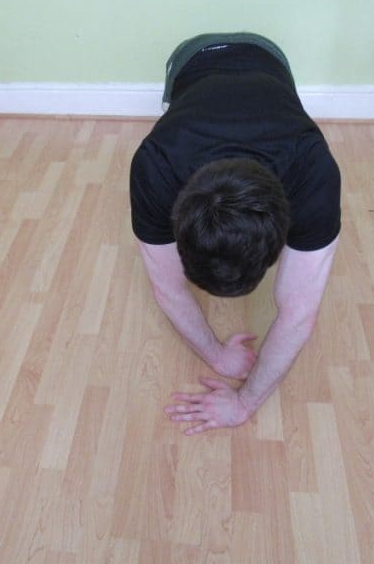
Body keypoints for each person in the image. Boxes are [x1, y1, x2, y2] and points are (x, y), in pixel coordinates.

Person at [129, 33, 340, 435]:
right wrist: (214, 355)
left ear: (284, 226)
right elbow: (169, 287)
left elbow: (300, 314)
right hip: (191, 56)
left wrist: (245, 403)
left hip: (269, 57)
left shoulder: (313, 170)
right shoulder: (155, 165)